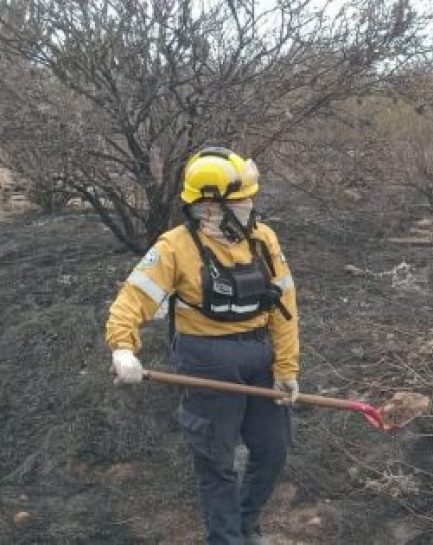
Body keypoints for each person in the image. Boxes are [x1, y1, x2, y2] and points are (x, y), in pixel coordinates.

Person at [105, 147, 300, 545]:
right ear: (210, 207)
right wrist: (123, 348)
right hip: (206, 362)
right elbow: (132, 298)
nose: (249, 205)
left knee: (273, 449)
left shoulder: (262, 239)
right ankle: (226, 539)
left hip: (259, 356)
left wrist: (286, 369)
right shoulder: (175, 247)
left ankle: (246, 525)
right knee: (217, 460)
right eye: (241, 199)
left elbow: (285, 307)